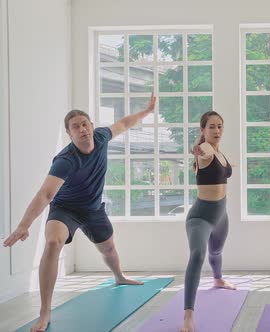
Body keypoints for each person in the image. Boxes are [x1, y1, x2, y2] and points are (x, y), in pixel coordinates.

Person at [3, 93, 157, 332]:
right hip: (66, 209)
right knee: (53, 242)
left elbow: (125, 123)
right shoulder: (65, 160)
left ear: (91, 126)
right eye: (76, 127)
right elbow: (45, 194)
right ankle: (45, 312)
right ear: (70, 133)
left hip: (93, 209)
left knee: (108, 248)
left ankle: (119, 276)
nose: (82, 129)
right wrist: (24, 225)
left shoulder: (102, 136)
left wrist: (146, 112)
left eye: (85, 124)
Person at [181, 111, 236, 332]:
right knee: (197, 254)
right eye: (211, 127)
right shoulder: (206, 150)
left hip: (221, 215)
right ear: (202, 130)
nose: (216, 130)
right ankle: (188, 315)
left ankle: (218, 279)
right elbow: (202, 152)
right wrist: (198, 150)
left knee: (216, 252)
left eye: (220, 126)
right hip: (201, 217)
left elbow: (222, 170)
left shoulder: (220, 153)